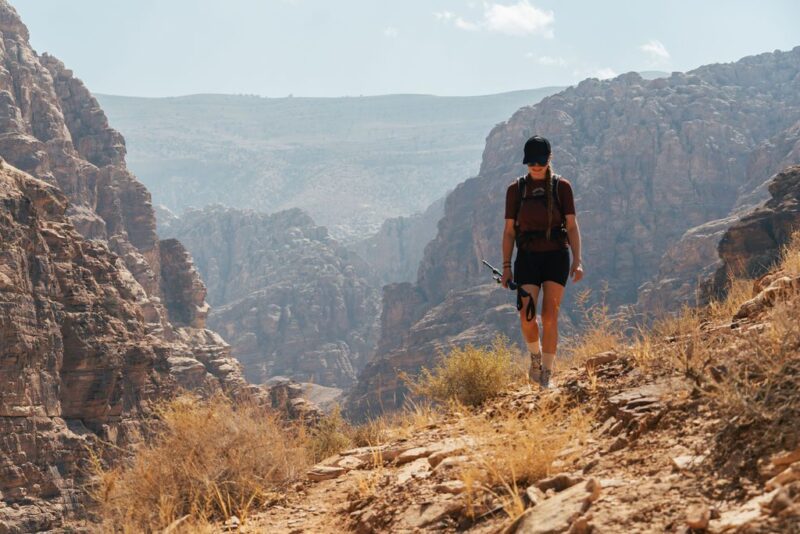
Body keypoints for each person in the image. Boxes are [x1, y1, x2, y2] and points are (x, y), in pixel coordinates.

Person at [500, 135, 583, 388]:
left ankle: (546, 373)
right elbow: (509, 232)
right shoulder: (516, 189)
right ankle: (535, 357)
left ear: (549, 159)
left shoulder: (562, 187)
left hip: (556, 256)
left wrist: (577, 260)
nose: (535, 166)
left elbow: (571, 226)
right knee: (526, 316)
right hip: (527, 258)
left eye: (540, 162)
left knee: (549, 316)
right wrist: (506, 266)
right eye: (531, 162)